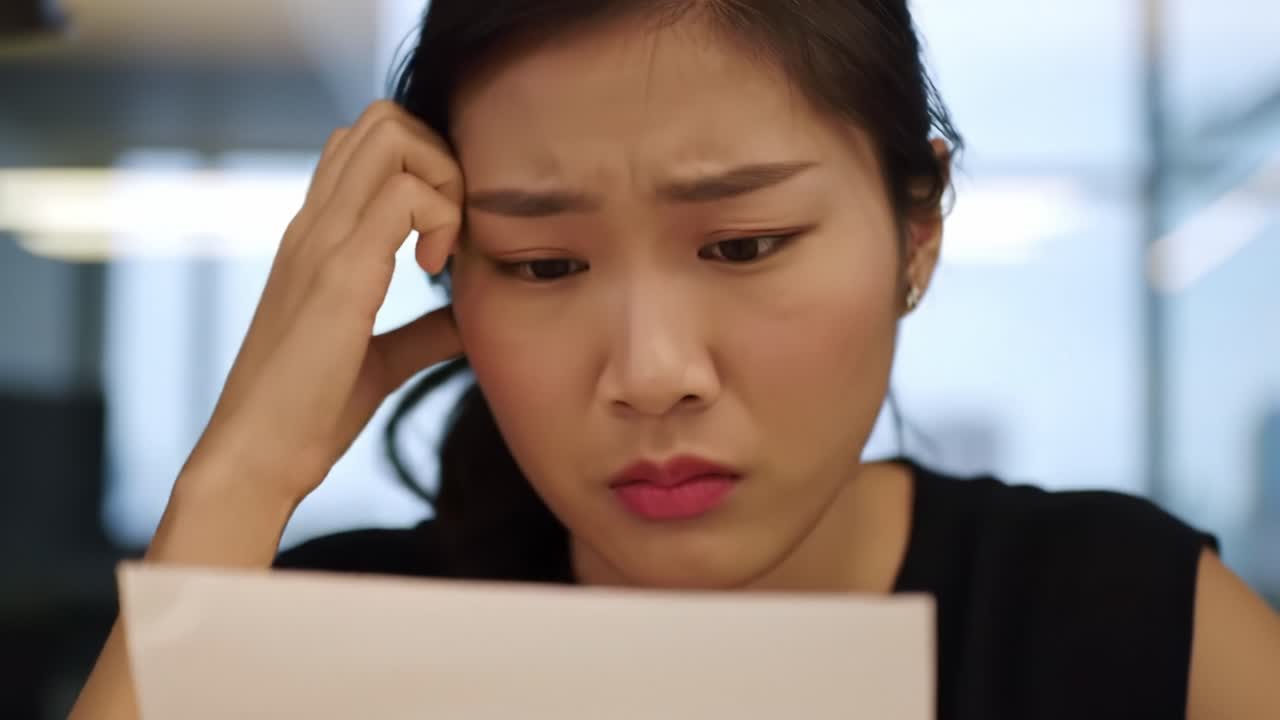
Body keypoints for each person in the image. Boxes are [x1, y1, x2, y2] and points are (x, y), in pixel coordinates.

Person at [71, 1, 1280, 718]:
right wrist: (235, 483)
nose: (651, 373)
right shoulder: (319, 648)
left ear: (917, 228)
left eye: (742, 243)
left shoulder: (1120, 625)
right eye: (543, 264)